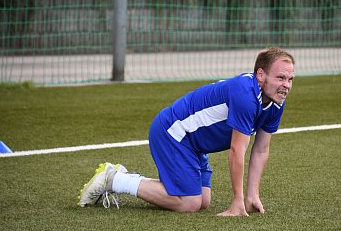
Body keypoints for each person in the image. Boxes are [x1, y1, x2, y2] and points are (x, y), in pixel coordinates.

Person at [77, 47, 295, 217]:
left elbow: (260, 150)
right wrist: (237, 200)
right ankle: (114, 179)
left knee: (203, 200)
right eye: (280, 78)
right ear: (260, 75)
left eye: (290, 79)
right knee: (190, 202)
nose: (286, 85)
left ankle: (126, 178)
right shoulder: (246, 94)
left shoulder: (276, 101)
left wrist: (251, 195)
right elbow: (237, 151)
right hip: (173, 132)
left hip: (194, 144)